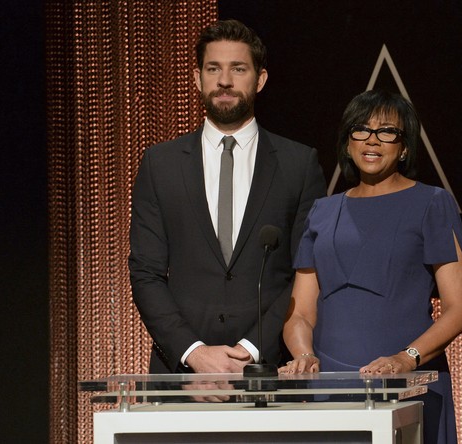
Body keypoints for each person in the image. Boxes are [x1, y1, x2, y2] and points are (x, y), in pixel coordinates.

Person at [129, 19, 326, 375]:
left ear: (260, 79)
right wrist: (193, 352)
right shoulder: (160, 163)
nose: (224, 81)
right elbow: (146, 273)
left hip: (269, 371)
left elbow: (305, 272)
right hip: (181, 374)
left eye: (238, 69)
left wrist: (250, 349)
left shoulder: (299, 164)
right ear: (197, 78)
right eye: (213, 69)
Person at [279, 90, 462, 444]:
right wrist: (304, 355)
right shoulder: (322, 211)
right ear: (347, 142)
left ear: (405, 147)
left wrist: (407, 359)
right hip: (331, 389)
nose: (372, 140)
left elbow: (458, 309)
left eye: (387, 132)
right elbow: (300, 313)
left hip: (408, 386)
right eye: (361, 130)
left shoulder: (432, 203)